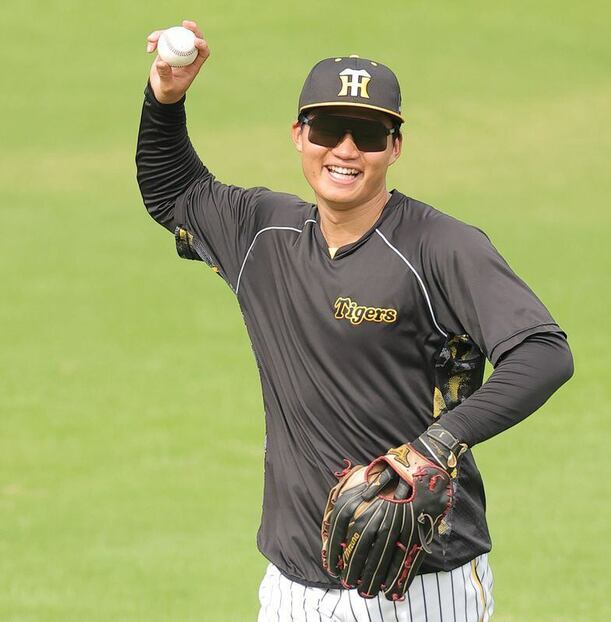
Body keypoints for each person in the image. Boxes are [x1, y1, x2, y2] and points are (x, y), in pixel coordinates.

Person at [136, 20, 573, 622]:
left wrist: (435, 445)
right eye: (327, 129)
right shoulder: (263, 233)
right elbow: (171, 189)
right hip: (292, 587)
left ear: (395, 147)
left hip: (422, 586)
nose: (344, 149)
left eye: (367, 134)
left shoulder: (441, 247)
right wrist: (166, 95)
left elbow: (544, 352)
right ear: (298, 134)